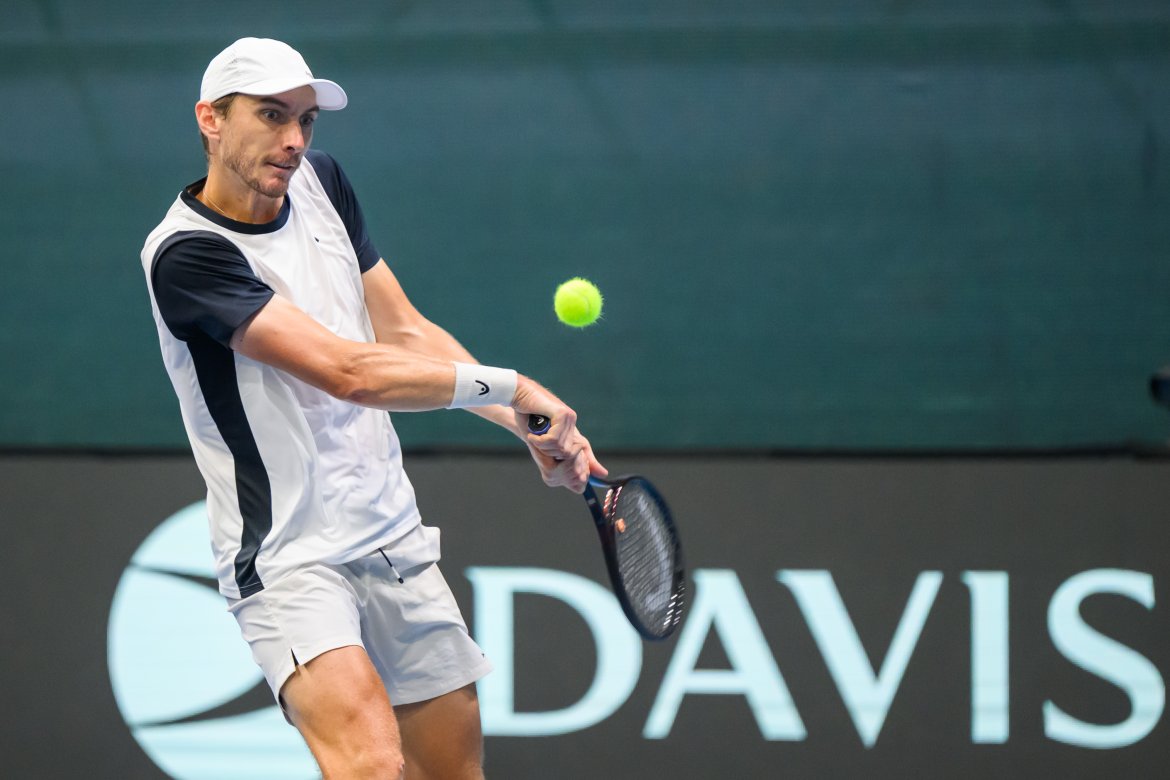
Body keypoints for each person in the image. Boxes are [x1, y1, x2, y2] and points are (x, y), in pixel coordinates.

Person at [139, 37, 604, 779]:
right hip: (288, 556)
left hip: (391, 533)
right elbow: (347, 372)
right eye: (270, 115)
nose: (293, 140)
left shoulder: (321, 182)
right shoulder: (186, 255)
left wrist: (523, 424)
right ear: (211, 120)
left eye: (305, 120)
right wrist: (513, 386)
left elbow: (404, 331)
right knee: (370, 766)